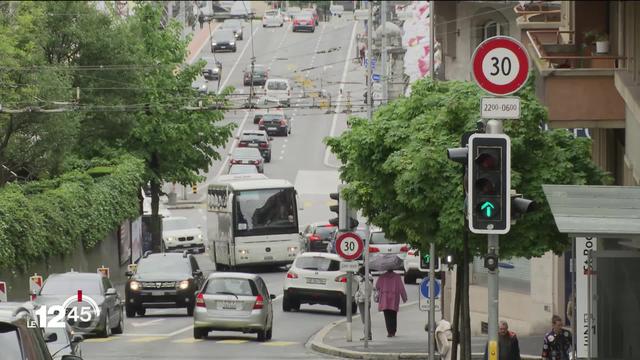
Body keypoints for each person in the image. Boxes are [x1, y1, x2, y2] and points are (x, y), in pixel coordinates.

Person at [374, 269, 407, 337]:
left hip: (384, 299)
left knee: (387, 316)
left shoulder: (382, 276)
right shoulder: (397, 277)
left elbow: (377, 286)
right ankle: (393, 331)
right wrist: (404, 298)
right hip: (394, 299)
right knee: (393, 314)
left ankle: (389, 332)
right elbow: (401, 288)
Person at [355, 266, 373, 340]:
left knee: (365, 319)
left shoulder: (365, 280)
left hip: (363, 301)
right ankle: (368, 334)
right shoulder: (369, 279)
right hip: (365, 300)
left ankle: (367, 335)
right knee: (367, 319)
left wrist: (358, 296)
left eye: (360, 274)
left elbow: (363, 291)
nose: (359, 275)